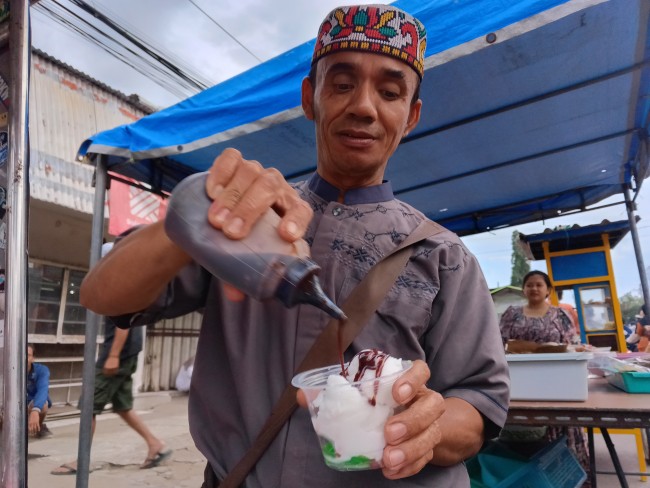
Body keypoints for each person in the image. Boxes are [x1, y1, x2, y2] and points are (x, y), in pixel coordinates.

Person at [78, 5, 510, 487]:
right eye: (342, 84)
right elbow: (101, 296)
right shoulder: (247, 220)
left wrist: (426, 428)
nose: (364, 107)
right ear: (311, 99)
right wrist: (195, 208)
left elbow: (478, 405)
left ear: (410, 116)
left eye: (389, 92)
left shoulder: (444, 255)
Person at [51, 243, 172, 475]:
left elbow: (123, 325)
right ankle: (155, 445)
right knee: (123, 407)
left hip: (118, 354)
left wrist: (113, 355)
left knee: (89, 407)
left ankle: (81, 461)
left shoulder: (120, 283)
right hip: (128, 354)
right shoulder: (131, 282)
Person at [499, 270, 590, 485]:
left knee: (561, 427)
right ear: (524, 289)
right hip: (521, 381)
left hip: (556, 382)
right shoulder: (512, 313)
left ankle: (565, 476)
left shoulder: (561, 316)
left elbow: (571, 346)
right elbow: (499, 343)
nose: (534, 288)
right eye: (529, 284)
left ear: (548, 289)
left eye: (539, 284)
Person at [27, 343, 53, 438]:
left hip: (31, 404)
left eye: (28, 355)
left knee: (43, 405)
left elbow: (43, 390)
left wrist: (35, 410)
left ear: (33, 358)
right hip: (15, 404)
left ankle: (39, 427)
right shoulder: (9, 369)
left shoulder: (42, 370)